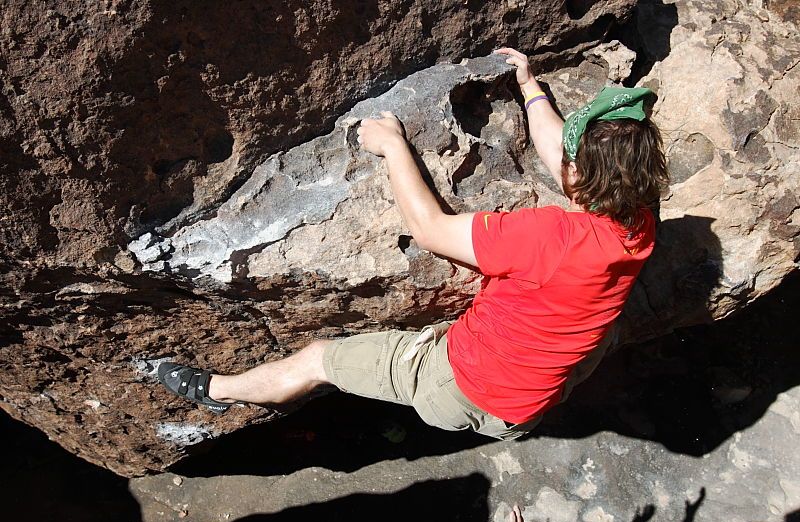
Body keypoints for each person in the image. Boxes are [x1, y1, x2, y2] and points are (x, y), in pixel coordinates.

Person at [157, 47, 668, 440]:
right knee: (599, 332)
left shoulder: (548, 236)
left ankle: (216, 391)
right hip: (530, 406)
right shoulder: (640, 223)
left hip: (456, 389)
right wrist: (530, 87)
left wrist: (393, 147)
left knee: (318, 360)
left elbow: (429, 231)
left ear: (579, 176)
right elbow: (563, 152)